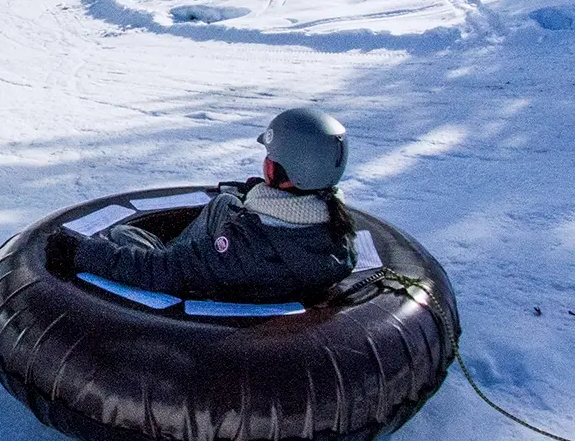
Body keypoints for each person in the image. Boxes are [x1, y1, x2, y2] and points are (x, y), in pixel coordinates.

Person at [45, 108, 357, 302]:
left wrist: (80, 252)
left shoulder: (241, 247)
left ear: (279, 170)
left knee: (122, 236)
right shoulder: (336, 229)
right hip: (261, 270)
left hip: (207, 282)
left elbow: (159, 271)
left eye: (270, 159)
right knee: (224, 203)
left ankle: (145, 245)